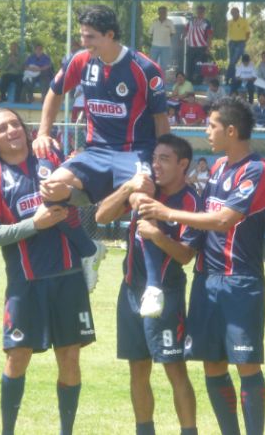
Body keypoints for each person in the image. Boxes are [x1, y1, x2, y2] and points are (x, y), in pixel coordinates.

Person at [139, 97, 265, 435]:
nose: (206, 131)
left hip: (240, 281)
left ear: (231, 129)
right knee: (212, 365)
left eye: (211, 125)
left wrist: (166, 213)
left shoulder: (256, 169)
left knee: (246, 364)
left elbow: (225, 220)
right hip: (206, 280)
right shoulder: (217, 168)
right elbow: (201, 224)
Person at [33, 4, 171, 318]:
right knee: (50, 188)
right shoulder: (79, 61)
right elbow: (54, 92)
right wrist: (43, 132)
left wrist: (163, 160)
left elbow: (161, 120)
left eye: (91, 37)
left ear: (110, 35)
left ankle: (153, 285)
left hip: (135, 151)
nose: (85, 43)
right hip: (94, 152)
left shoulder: (144, 69)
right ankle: (89, 248)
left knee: (142, 200)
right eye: (82, 35)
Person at [0, 108, 103, 435]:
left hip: (68, 278)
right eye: (2, 129)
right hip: (25, 284)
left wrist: (69, 194)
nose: (12, 130)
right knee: (17, 357)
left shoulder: (52, 157)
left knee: (70, 357)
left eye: (15, 124)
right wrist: (34, 224)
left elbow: (87, 196)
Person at [96, 134, 201, 435]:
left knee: (174, 368)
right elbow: (102, 216)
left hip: (166, 294)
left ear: (183, 164)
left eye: (164, 159)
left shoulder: (190, 200)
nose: (156, 165)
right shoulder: (145, 189)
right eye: (154, 158)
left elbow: (185, 256)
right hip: (130, 290)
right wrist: (129, 187)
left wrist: (158, 236)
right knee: (138, 368)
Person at [183, 5, 213, 85]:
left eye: (202, 12)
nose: (200, 13)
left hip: (201, 48)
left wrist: (208, 48)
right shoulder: (191, 21)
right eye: (199, 11)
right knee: (189, 65)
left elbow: (210, 36)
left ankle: (198, 81)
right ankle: (189, 81)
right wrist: (182, 37)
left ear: (204, 12)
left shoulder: (207, 22)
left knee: (200, 65)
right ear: (196, 12)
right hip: (191, 47)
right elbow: (185, 31)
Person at [225, 6, 251, 85]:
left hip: (240, 42)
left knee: (233, 61)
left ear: (238, 12)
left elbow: (248, 32)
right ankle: (231, 78)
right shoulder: (230, 22)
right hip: (232, 42)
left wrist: (244, 42)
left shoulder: (243, 21)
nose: (233, 14)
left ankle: (228, 78)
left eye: (234, 12)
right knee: (232, 61)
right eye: (232, 13)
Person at [148, 6, 176, 70]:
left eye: (164, 12)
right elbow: (150, 33)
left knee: (165, 66)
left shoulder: (170, 22)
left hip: (166, 47)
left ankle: (162, 79)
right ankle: (152, 78)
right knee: (151, 64)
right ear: (158, 13)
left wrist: (165, 38)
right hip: (155, 46)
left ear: (166, 13)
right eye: (161, 12)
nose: (163, 13)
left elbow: (172, 33)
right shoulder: (154, 22)